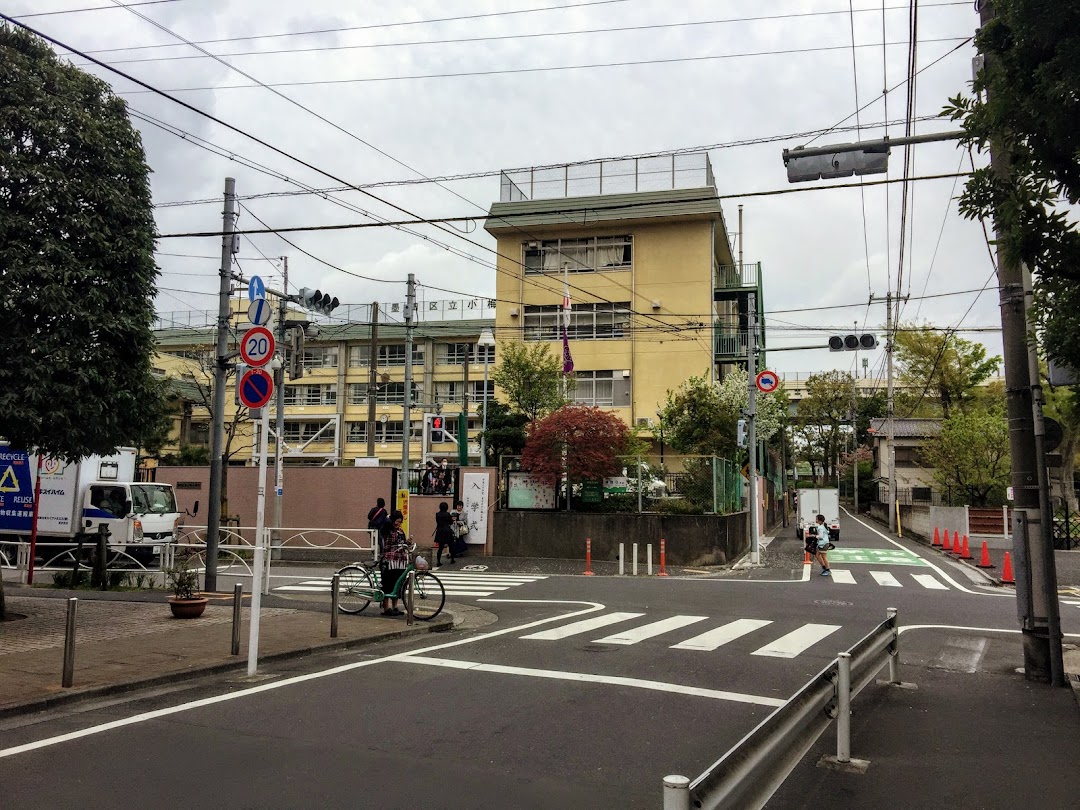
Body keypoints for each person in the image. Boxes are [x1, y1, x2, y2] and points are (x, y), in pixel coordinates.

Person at [379, 511, 410, 616]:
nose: (398, 523)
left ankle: (395, 606)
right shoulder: (387, 530)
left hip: (400, 560)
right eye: (396, 521)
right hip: (389, 560)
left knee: (398, 584)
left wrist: (408, 542)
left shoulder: (401, 531)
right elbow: (384, 526)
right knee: (388, 584)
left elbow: (403, 543)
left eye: (400, 522)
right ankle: (386, 608)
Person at [434, 501, 456, 566]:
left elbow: (437, 522)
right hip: (447, 531)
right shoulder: (447, 514)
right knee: (451, 545)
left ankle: (438, 561)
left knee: (440, 547)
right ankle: (452, 559)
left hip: (440, 531)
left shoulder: (437, 514)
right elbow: (451, 522)